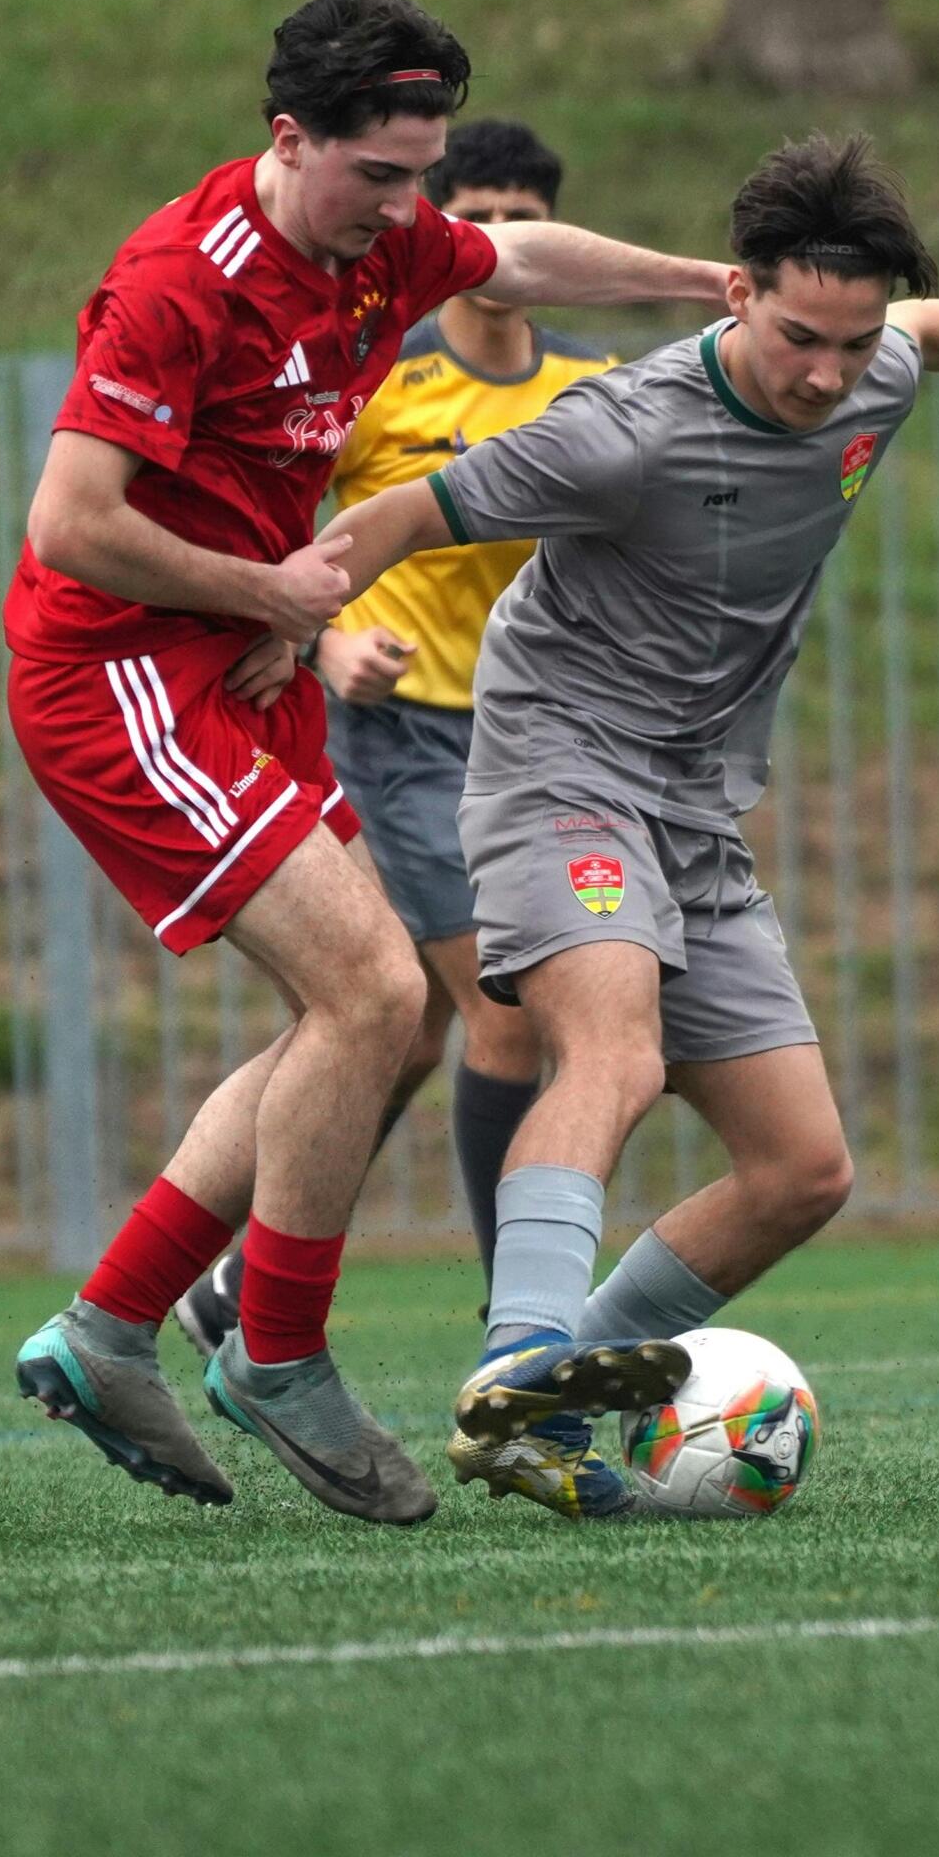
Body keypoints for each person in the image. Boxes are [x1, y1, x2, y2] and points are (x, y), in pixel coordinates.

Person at [314, 132, 939, 1519]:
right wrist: (290, 629)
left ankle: (542, 1405)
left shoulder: (871, 367)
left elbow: (928, 326)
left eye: (846, 347)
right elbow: (399, 517)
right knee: (609, 1051)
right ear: (732, 296)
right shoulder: (621, 430)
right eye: (798, 336)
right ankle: (522, 1352)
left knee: (801, 1169)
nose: (823, 374)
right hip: (560, 766)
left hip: (692, 798)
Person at [5, 0, 725, 1527]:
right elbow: (70, 526)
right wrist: (266, 589)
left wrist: (699, 282)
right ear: (288, 139)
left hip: (235, 659)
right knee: (380, 994)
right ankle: (274, 1355)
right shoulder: (176, 285)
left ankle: (113, 1322)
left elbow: (516, 253)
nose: (407, 215)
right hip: (118, 674)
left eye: (423, 177)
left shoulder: (382, 241)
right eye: (380, 179)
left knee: (385, 1027)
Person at [171, 118, 614, 1359]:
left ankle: (232, 1287)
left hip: (539, 743)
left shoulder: (588, 385)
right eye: (479, 212)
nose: (502, 238)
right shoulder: (381, 377)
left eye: (523, 215)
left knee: (409, 1026)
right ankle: (523, 1322)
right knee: (505, 1017)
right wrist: (322, 644)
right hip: (404, 736)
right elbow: (284, 532)